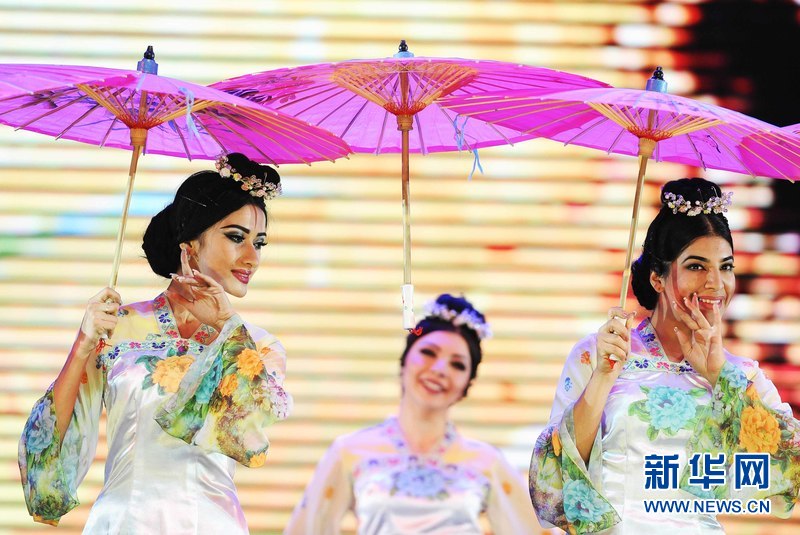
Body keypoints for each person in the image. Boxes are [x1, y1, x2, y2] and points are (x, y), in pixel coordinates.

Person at [19, 153, 292, 533]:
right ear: (190, 243)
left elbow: (247, 434)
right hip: (124, 522)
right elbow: (49, 446)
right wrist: (82, 345)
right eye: (236, 237)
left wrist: (225, 324)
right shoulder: (116, 327)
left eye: (259, 243)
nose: (252, 259)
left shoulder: (257, 346)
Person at [529, 178, 800, 533]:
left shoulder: (741, 375)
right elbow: (551, 482)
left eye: (726, 266)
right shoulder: (601, 353)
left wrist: (720, 376)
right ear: (657, 278)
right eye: (696, 266)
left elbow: (790, 477)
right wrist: (603, 378)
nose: (716, 283)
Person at [285, 294, 538, 534]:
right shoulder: (349, 451)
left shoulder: (487, 461)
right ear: (404, 361)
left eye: (457, 364)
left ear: (467, 385)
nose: (440, 369)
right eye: (428, 353)